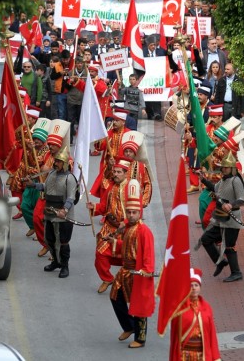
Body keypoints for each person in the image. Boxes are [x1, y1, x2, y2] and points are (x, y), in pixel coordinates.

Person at [109, 181, 155, 349]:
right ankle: (128, 327)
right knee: (115, 296)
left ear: (139, 213)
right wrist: (114, 241)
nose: (131, 214)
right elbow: (126, 247)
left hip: (138, 272)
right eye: (129, 212)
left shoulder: (145, 231)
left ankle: (140, 338)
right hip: (125, 271)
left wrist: (147, 271)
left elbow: (148, 254)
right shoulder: (128, 228)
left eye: (134, 212)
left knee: (139, 306)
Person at [26, 146, 77, 278]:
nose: (56, 163)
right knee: (49, 239)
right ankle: (56, 262)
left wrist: (64, 210)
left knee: (63, 241)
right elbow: (45, 187)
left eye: (59, 161)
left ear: (65, 163)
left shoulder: (70, 178)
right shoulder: (51, 174)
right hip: (50, 212)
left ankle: (64, 266)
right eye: (56, 161)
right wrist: (33, 185)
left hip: (63, 215)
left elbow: (71, 196)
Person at [200, 151, 244, 282]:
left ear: (231, 168)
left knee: (229, 246)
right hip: (220, 218)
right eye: (222, 167)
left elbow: (242, 200)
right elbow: (215, 189)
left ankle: (236, 272)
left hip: (231, 219)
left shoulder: (236, 181)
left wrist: (231, 205)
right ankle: (220, 262)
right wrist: (203, 179)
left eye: (225, 167)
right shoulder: (223, 180)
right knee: (206, 239)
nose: (222, 169)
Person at [86, 159, 131, 293]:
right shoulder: (110, 187)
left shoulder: (131, 189)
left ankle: (128, 284)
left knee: (128, 257)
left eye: (119, 172)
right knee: (100, 254)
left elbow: (137, 210)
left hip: (127, 229)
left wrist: (127, 222)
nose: (115, 174)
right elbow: (103, 206)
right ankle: (107, 278)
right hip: (109, 227)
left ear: (125, 173)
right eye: (115, 171)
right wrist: (93, 207)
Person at [170, 268, 221, 361]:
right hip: (184, 355)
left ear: (200, 287)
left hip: (202, 355)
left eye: (196, 285)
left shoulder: (206, 307)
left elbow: (211, 334)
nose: (194, 288)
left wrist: (216, 356)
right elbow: (175, 334)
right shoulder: (180, 307)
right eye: (191, 285)